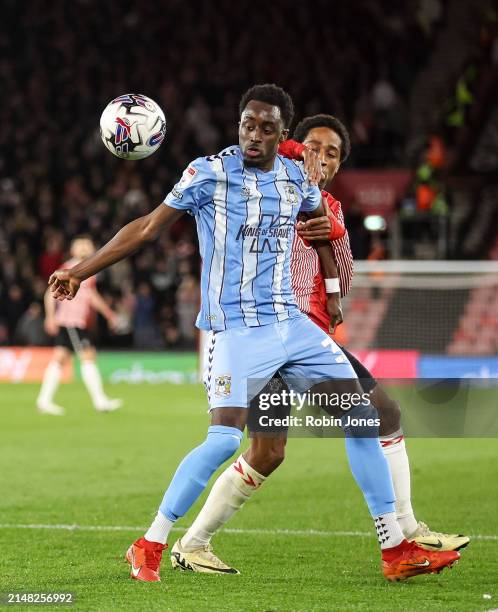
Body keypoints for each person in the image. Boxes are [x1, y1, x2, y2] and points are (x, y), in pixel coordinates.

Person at [49, 85, 459, 583]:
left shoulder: (293, 176)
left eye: (266, 127)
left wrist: (331, 293)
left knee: (363, 418)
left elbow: (320, 227)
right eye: (248, 124)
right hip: (236, 332)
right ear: (239, 125)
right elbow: (146, 229)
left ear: (282, 134)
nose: (254, 135)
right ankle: (151, 541)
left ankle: (395, 549)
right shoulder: (208, 173)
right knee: (224, 441)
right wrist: (81, 271)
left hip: (292, 323)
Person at [171, 114, 469, 576]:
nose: (321, 158)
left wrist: (334, 233)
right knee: (306, 439)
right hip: (267, 339)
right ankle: (403, 535)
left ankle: (192, 543)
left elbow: (342, 281)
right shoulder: (271, 190)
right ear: (294, 148)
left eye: (332, 153)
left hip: (308, 341)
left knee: (295, 444)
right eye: (313, 147)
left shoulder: (327, 206)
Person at [37, 236, 122, 416]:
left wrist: (107, 314)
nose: (84, 248)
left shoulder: (89, 268)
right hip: (71, 321)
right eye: (80, 245)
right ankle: (100, 401)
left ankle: (44, 400)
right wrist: (50, 317)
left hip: (73, 322)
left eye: (87, 244)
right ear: (73, 249)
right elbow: (49, 293)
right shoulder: (71, 268)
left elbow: (91, 296)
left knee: (59, 358)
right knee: (88, 356)